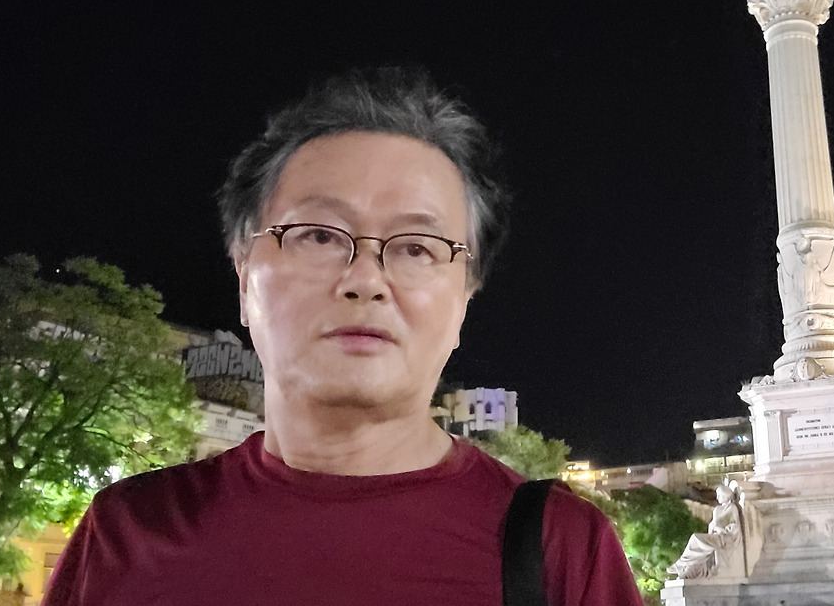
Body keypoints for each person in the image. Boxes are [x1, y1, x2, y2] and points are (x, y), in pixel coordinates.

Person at [42, 67, 643, 605]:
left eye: (417, 248)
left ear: (465, 297)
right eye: (320, 236)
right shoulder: (124, 537)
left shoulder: (561, 552)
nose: (365, 280)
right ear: (245, 276)